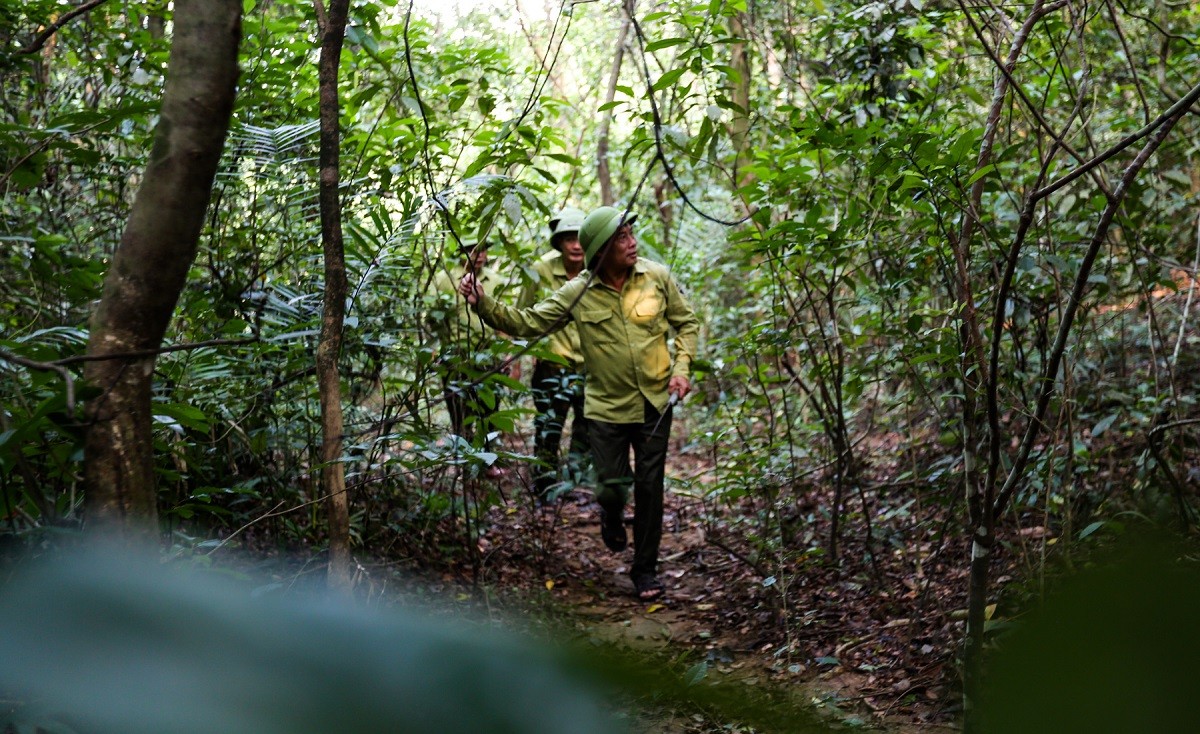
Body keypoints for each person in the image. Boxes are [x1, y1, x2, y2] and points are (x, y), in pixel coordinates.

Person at [459, 206, 699, 601]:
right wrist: (483, 303)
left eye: (631, 234)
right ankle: (610, 513)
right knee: (610, 486)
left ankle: (645, 570)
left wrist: (682, 367)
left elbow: (686, 323)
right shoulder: (579, 291)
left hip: (656, 401)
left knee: (651, 486)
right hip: (606, 408)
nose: (632, 242)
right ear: (601, 249)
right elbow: (528, 322)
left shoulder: (656, 277)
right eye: (621, 237)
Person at [427, 239, 515, 476]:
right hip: (455, 357)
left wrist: (507, 352)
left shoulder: (495, 280)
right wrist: (437, 350)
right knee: (459, 412)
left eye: (483, 249)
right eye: (471, 249)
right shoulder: (446, 278)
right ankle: (465, 466)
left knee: (489, 412)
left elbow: (503, 319)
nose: (479, 255)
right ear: (461, 252)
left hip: (488, 355)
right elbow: (433, 317)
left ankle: (487, 463)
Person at [520, 207, 590, 504]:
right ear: (559, 242)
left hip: (591, 366)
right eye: (568, 238)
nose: (575, 245)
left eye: (580, 238)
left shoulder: (598, 269)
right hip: (552, 365)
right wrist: (533, 352)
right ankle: (545, 485)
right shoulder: (540, 270)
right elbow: (524, 315)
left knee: (587, 426)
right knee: (548, 426)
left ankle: (576, 484)